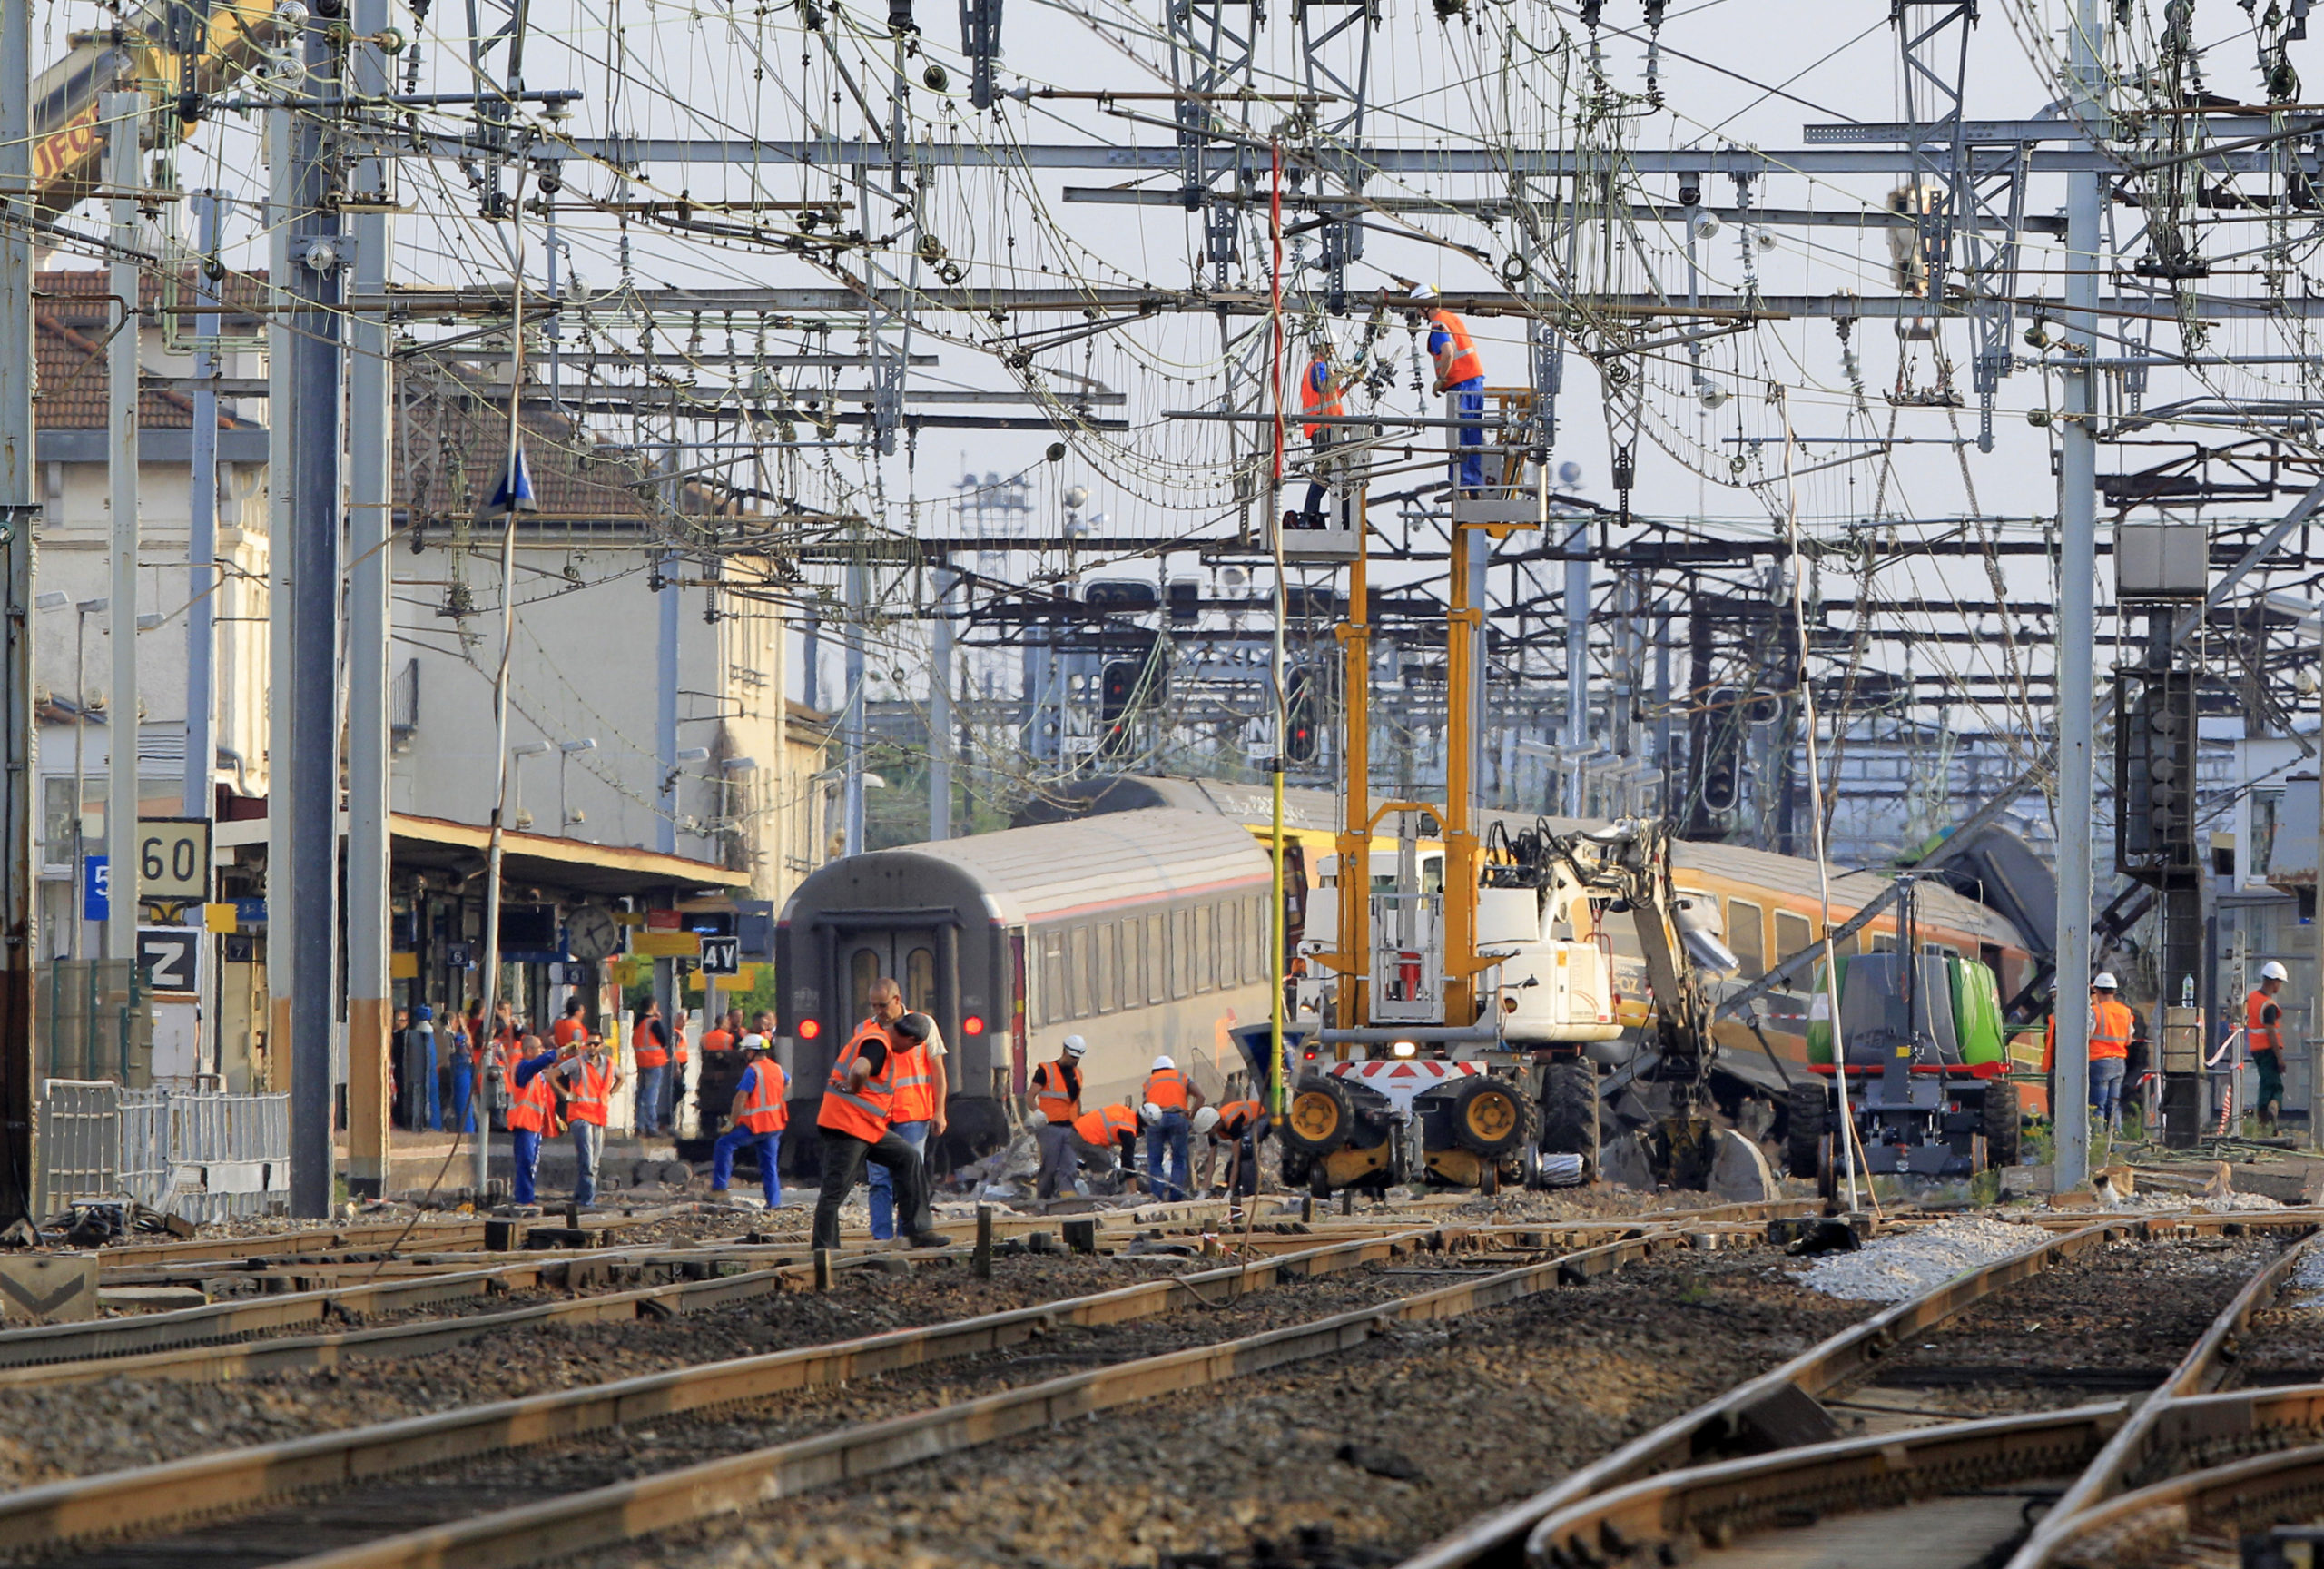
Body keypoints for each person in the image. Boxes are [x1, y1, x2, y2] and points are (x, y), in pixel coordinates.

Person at [812, 1011, 946, 1251]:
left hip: (868, 1126)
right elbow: (860, 1069)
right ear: (911, 1041)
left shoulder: (880, 1038)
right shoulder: (878, 1043)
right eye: (913, 1048)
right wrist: (853, 1086)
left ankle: (919, 1231)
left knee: (909, 1158)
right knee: (836, 1188)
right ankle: (824, 1249)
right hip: (847, 1125)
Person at [868, 981, 950, 1239]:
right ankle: (881, 1238)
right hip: (877, 1117)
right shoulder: (865, 1029)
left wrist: (940, 1111)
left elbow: (937, 1070)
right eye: (874, 1006)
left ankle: (907, 1235)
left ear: (897, 999)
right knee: (879, 1181)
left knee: (908, 1179)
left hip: (913, 1115)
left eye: (883, 1005)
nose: (879, 1011)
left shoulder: (924, 1025)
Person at [1412, 283, 1486, 495]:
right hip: (1474, 380)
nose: (1418, 313)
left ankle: (1460, 484)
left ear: (1425, 306)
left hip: (1461, 383)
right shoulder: (1450, 317)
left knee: (1459, 436)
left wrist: (1441, 379)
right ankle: (1473, 486)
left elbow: (1447, 352)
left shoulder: (1438, 325)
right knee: (1472, 435)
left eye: (1418, 307)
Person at [710, 1038, 787, 1208]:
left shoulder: (753, 1070)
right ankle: (774, 1203)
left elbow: (740, 1099)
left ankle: (719, 1188)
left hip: (756, 1125)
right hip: (774, 1125)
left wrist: (730, 1124)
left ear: (751, 1052)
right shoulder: (777, 1068)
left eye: (746, 1052)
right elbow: (788, 1082)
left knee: (724, 1144)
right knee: (770, 1166)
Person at [1285, 332, 1346, 530]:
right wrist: (1341, 375)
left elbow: (1331, 395)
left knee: (1335, 472)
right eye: (1329, 346)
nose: (1332, 350)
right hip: (1323, 427)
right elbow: (1322, 387)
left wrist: (1350, 382)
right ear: (1319, 346)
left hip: (1328, 427)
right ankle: (1307, 516)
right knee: (1324, 472)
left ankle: (1313, 515)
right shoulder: (1318, 366)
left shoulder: (1320, 367)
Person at [558, 1031, 622, 1206]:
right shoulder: (577, 1063)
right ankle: (587, 1201)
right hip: (580, 1116)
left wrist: (611, 1093)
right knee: (587, 1161)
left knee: (593, 1162)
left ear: (601, 1046)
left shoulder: (609, 1064)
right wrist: (566, 1095)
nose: (592, 1047)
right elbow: (553, 1075)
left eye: (595, 1044)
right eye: (589, 1044)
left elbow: (621, 1077)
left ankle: (580, 1197)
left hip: (598, 1116)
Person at [1026, 1035, 1088, 1201]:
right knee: (1050, 1167)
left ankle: (1067, 1202)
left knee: (1069, 1167)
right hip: (1050, 1127)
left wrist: (1080, 1124)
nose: (1075, 1061)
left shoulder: (1078, 1073)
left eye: (1077, 1058)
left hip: (1070, 1127)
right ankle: (1043, 1199)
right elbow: (1030, 1096)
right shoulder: (1045, 1071)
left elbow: (1076, 1101)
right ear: (1064, 1051)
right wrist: (1037, 1112)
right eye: (1072, 1057)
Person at [506, 1033, 560, 1208]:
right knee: (526, 1162)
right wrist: (557, 1052)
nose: (542, 1051)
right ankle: (524, 1199)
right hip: (524, 1122)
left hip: (534, 1124)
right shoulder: (523, 1068)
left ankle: (527, 1197)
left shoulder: (536, 1074)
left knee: (531, 1163)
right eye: (539, 1048)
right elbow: (538, 1063)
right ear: (529, 1051)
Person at [1141, 1054, 1203, 1202]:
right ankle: (1176, 1197)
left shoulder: (1149, 1082)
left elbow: (1145, 1106)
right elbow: (1201, 1096)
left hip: (1155, 1120)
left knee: (1155, 1160)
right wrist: (1191, 1117)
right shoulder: (1182, 1077)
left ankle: (1157, 1197)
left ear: (1154, 1070)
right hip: (1177, 1117)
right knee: (1179, 1159)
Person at [1205, 1095, 1270, 1212]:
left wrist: (1230, 1190)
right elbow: (1211, 1162)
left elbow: (1236, 1158)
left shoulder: (1232, 1122)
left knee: (1246, 1148)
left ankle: (1250, 1194)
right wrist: (1203, 1191)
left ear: (1215, 1125)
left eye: (1209, 1131)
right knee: (1231, 1168)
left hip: (1264, 1116)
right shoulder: (1213, 1130)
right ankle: (1235, 1191)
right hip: (1247, 1123)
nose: (1208, 1134)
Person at [2087, 972, 2134, 1132]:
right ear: (2114, 991)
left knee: (2097, 1106)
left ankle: (2097, 1143)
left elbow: (2086, 1036)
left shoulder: (2095, 1011)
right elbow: (2129, 1039)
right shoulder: (2125, 1011)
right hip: (2119, 1063)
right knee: (2114, 1106)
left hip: (2099, 1061)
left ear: (2098, 991)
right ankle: (2115, 1144)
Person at [2249, 960, 2291, 1131]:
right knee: (2275, 1087)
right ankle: (2269, 1113)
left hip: (2256, 1050)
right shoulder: (2269, 1006)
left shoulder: (2252, 998)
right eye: (2280, 982)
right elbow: (2271, 1032)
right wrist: (2279, 1058)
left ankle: (2263, 1122)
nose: (2280, 986)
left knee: (2266, 1082)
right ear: (2274, 981)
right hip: (2269, 1051)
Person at [1068, 1102, 1142, 1188]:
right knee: (1104, 1166)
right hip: (1084, 1138)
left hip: (1078, 1129)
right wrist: (1133, 1191)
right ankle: (1098, 1195)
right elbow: (1127, 1164)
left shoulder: (1126, 1113)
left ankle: (1086, 1172)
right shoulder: (1129, 1132)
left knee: (1103, 1158)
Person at [632, 1000, 673, 1137]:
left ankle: (639, 1124)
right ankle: (651, 1125)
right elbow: (663, 1040)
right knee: (651, 1095)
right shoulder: (652, 1023)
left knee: (641, 1093)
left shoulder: (638, 1022)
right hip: (654, 1062)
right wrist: (657, 1019)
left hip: (641, 1061)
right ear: (653, 1006)